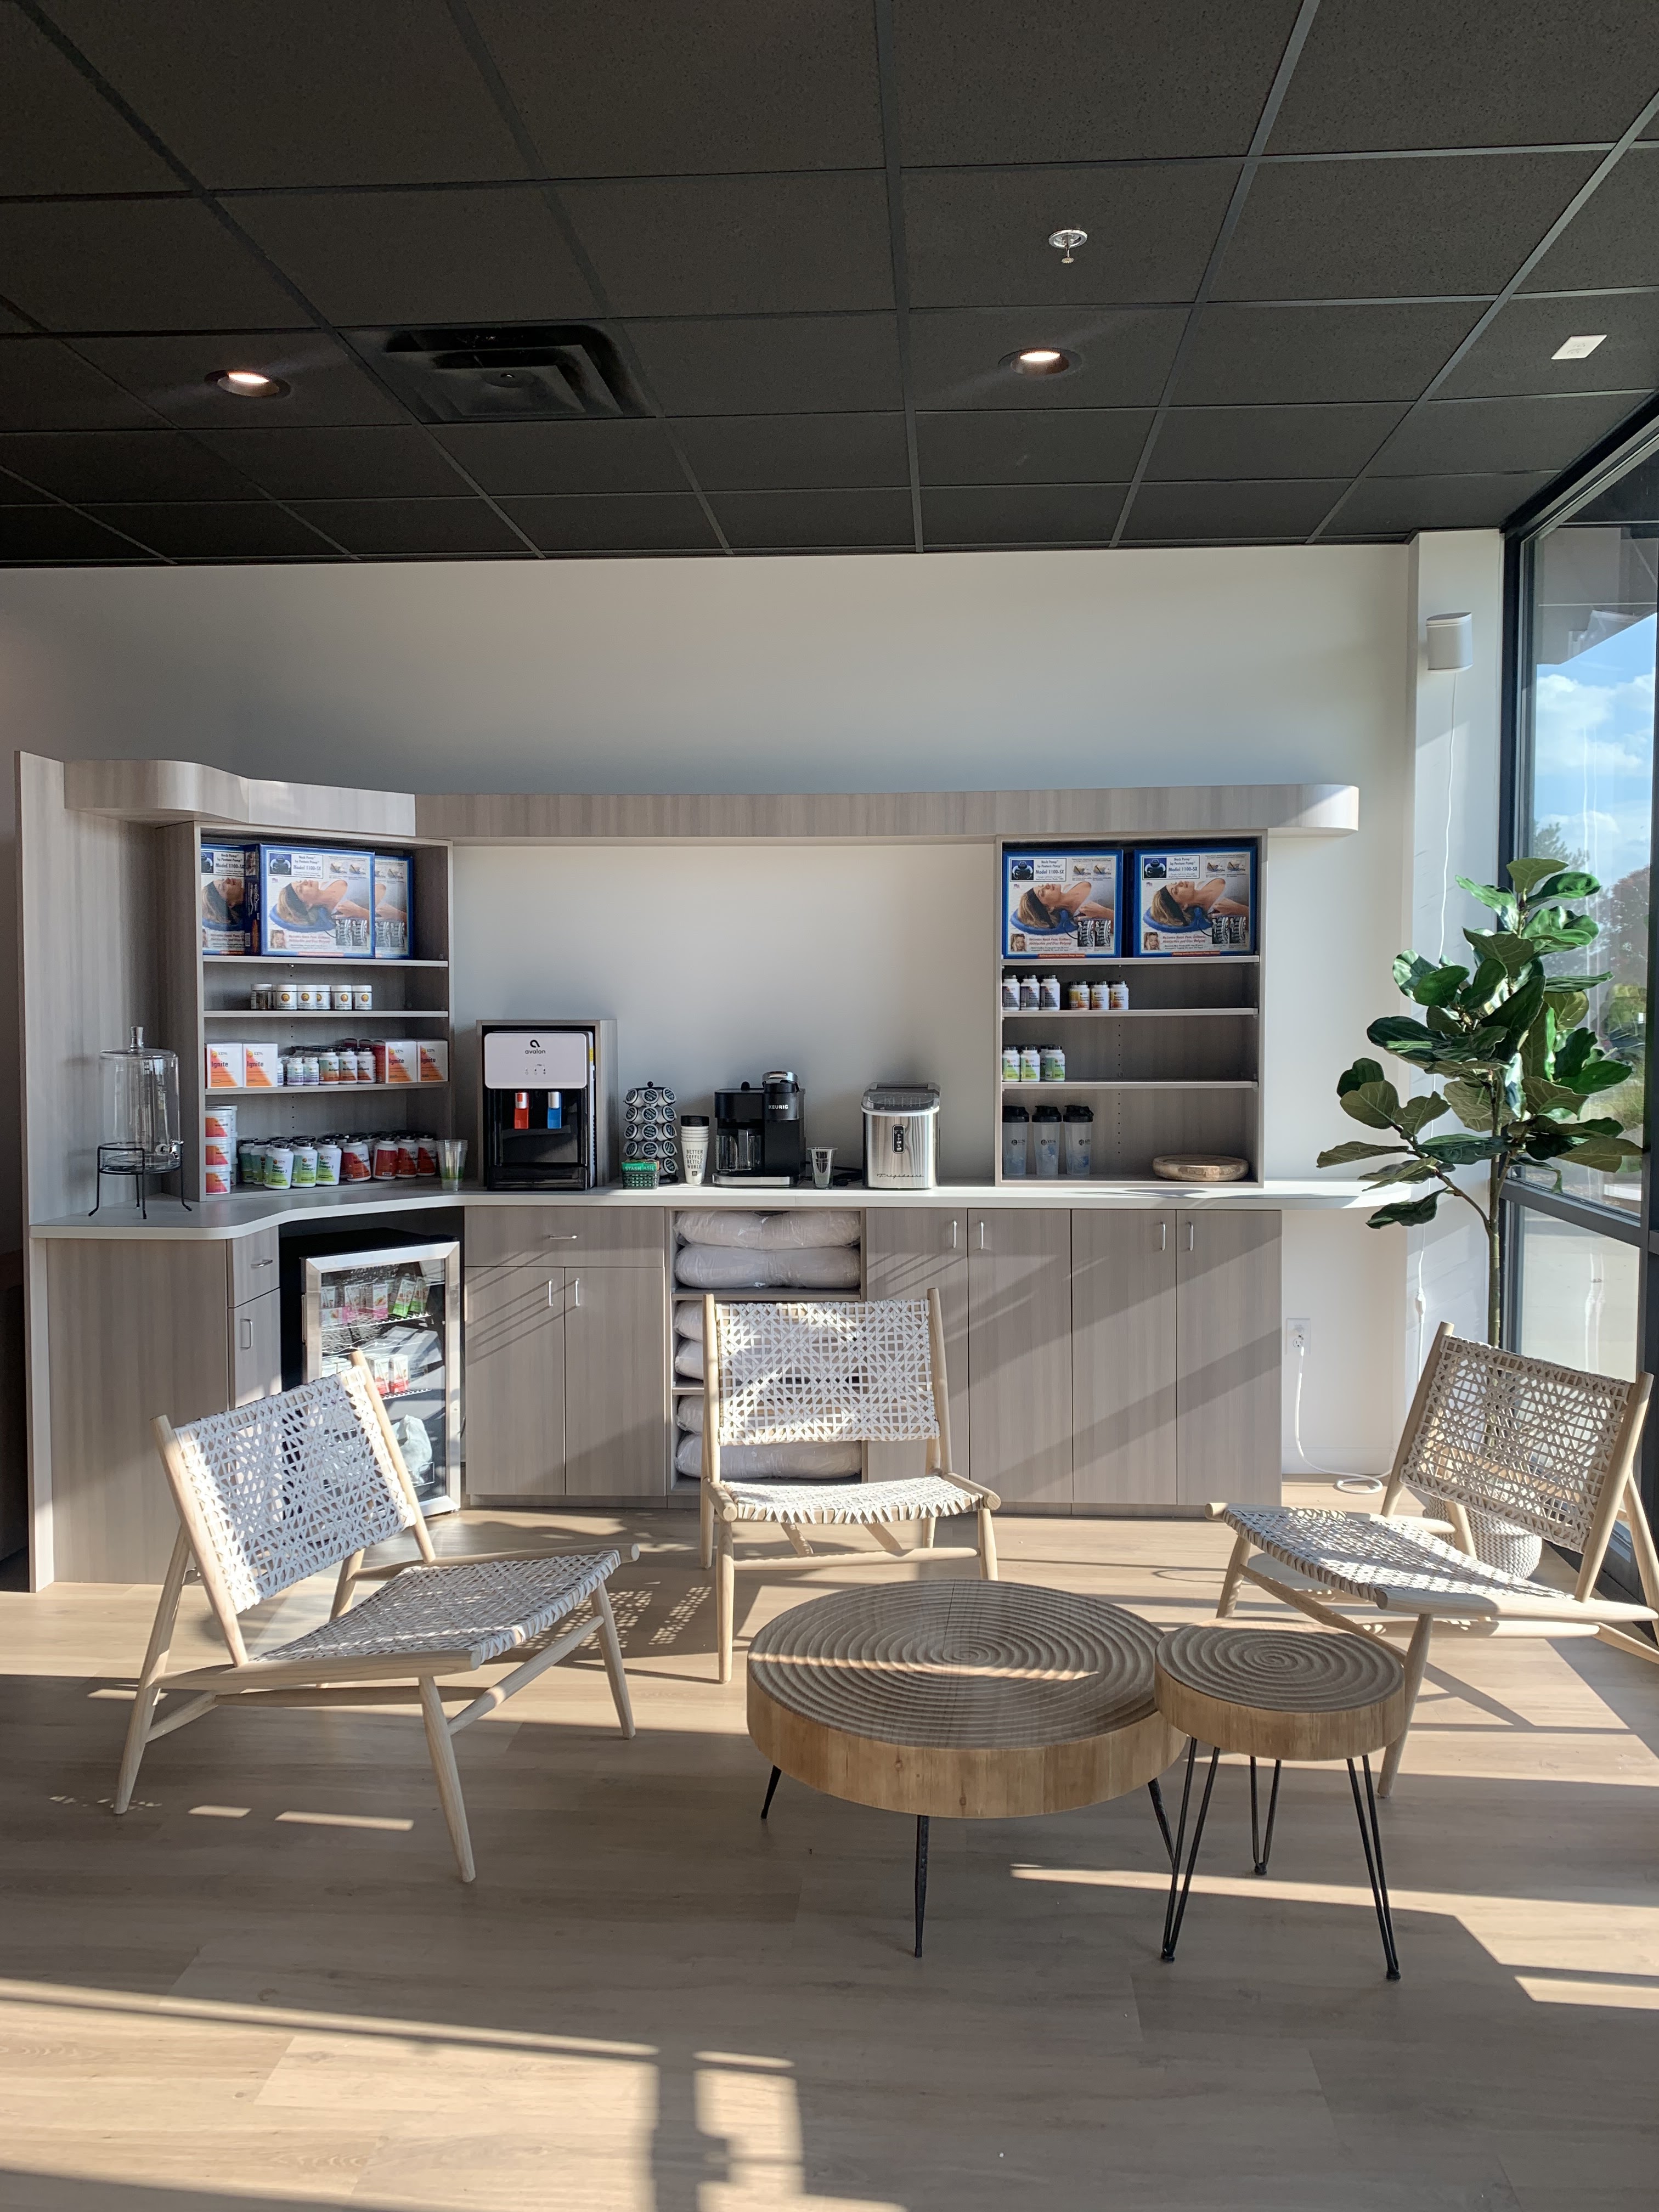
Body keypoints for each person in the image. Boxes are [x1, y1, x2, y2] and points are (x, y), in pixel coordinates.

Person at [1016, 878, 1114, 933]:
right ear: (1049, 908)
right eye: (1043, 893)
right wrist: (1104, 912)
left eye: (1042, 886)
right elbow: (1121, 931)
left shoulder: (1069, 886)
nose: (1047, 885)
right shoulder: (1083, 917)